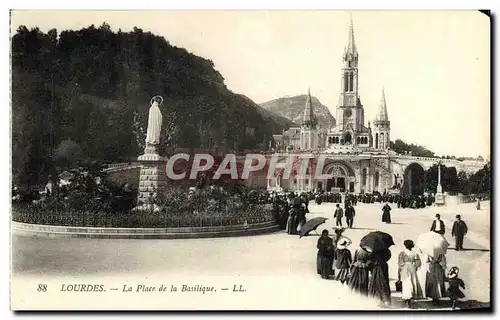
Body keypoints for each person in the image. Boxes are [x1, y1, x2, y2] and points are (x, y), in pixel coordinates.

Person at [397, 240, 423, 308]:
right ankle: (411, 297)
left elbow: (400, 263)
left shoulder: (402, 253)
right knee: (412, 282)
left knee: (406, 283)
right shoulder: (414, 253)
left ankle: (407, 298)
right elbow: (418, 263)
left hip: (404, 268)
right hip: (412, 268)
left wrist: (399, 272)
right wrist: (415, 267)